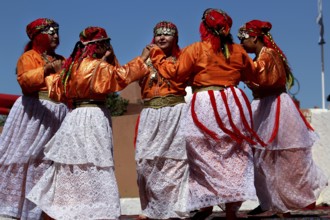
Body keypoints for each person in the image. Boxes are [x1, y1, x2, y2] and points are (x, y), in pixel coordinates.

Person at [149, 8, 266, 220]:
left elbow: (176, 74)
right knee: (233, 153)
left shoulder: (195, 50)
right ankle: (231, 207)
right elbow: (253, 73)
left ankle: (205, 206)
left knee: (201, 153)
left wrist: (157, 56)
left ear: (203, 27)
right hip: (233, 101)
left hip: (205, 102)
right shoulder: (237, 51)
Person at [27, 26, 150, 220]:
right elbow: (121, 76)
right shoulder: (97, 66)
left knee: (72, 164)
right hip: (94, 116)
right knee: (96, 162)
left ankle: (64, 209)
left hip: (74, 117)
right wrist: (141, 59)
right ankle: (98, 211)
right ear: (99, 45)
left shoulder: (70, 67)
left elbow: (55, 89)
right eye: (106, 43)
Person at [237, 20, 328, 217]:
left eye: (243, 39)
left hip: (274, 106)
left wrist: (244, 70)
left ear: (254, 37)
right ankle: (268, 202)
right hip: (262, 106)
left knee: (274, 157)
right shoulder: (261, 56)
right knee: (260, 157)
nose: (241, 44)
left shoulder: (269, 55)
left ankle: (279, 205)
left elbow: (268, 80)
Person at [0, 18, 68, 220]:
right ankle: (13, 208)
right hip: (35, 113)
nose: (56, 35)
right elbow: (25, 81)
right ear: (38, 36)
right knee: (25, 158)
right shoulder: (28, 57)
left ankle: (46, 210)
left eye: (57, 31)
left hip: (59, 114)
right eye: (50, 32)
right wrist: (46, 70)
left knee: (52, 162)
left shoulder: (63, 60)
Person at [134, 21, 190, 219]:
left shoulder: (182, 58)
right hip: (150, 112)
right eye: (158, 35)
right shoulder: (146, 59)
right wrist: (142, 59)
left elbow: (179, 76)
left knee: (175, 162)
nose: (162, 38)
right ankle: (150, 207)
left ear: (175, 38)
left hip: (175, 111)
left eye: (167, 34)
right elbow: (127, 76)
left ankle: (175, 207)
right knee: (144, 163)